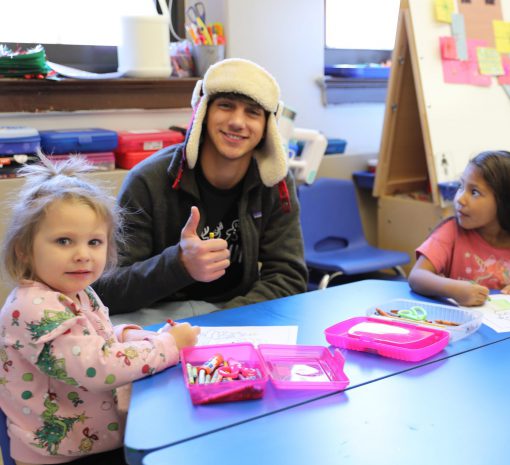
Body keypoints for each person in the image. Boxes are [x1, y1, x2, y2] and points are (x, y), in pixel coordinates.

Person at [0, 157, 199, 465]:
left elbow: (90, 340)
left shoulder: (75, 291)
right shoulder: (32, 308)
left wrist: (125, 334)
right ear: (24, 249)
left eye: (94, 242)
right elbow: (98, 367)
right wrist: (168, 345)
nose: (83, 255)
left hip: (88, 439)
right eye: (64, 241)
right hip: (59, 456)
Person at [94, 58, 308, 325]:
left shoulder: (274, 181)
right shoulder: (147, 180)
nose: (238, 122)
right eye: (226, 106)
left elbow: (288, 276)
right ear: (204, 112)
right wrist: (179, 264)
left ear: (267, 126)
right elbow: (106, 290)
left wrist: (224, 321)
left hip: (235, 311)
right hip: (156, 317)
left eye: (253, 112)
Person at [409, 151, 510, 306]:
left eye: (474, 192)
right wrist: (454, 289)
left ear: (507, 202)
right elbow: (417, 275)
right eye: (461, 186)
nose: (460, 199)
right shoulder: (451, 232)